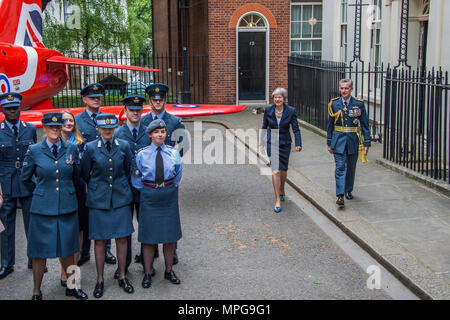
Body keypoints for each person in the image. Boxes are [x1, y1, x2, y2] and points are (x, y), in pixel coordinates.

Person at [21, 112, 88, 300]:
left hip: (67, 206)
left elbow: (76, 175)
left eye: (58, 127)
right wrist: (42, 192)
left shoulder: (71, 148)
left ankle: (72, 286)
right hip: (43, 209)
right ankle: (36, 290)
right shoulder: (34, 150)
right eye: (51, 127)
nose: (55, 130)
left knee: (70, 248)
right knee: (39, 251)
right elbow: (25, 178)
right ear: (44, 128)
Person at [80, 113, 135, 298]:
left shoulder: (124, 146)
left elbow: (128, 170)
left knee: (121, 238)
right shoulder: (90, 148)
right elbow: (85, 173)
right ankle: (100, 279)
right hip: (99, 199)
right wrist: (99, 188)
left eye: (111, 128)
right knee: (100, 240)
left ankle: (121, 275)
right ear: (99, 128)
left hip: (120, 198)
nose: (107, 131)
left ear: (115, 128)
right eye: (104, 128)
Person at [132, 119, 182, 288]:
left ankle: (169, 270)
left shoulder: (173, 153)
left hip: (168, 194)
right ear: (150, 135)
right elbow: (136, 179)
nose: (160, 135)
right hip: (149, 195)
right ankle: (147, 272)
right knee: (148, 237)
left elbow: (177, 175)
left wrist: (166, 187)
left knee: (169, 237)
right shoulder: (141, 154)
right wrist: (150, 189)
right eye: (156, 132)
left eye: (162, 131)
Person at [141, 83, 186, 265]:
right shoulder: (143, 121)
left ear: (165, 100)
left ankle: (171, 252)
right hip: (149, 180)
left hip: (167, 178)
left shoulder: (174, 121)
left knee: (170, 222)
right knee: (148, 221)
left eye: (160, 99)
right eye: (154, 99)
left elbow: (181, 148)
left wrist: (171, 167)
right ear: (150, 100)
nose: (157, 102)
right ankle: (150, 256)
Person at [75, 83, 116, 266]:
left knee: (104, 212)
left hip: (102, 174)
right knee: (85, 214)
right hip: (85, 174)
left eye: (98, 97)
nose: (96, 100)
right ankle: (85, 251)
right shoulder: (77, 120)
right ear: (84, 99)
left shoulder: (107, 119)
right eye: (92, 97)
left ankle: (106, 249)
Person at [113, 95, 151, 278]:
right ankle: (124, 264)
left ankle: (147, 263)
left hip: (144, 188)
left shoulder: (148, 132)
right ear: (125, 111)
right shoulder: (117, 134)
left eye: (138, 110)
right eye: (131, 110)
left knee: (145, 226)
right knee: (124, 229)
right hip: (125, 188)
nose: (135, 113)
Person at [0, 92, 37, 280]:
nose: (12, 111)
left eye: (15, 107)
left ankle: (34, 259)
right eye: (8, 108)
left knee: (32, 223)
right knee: (6, 225)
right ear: (3, 110)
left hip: (27, 181)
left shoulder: (29, 129)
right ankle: (6, 263)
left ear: (20, 108)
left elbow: (34, 156)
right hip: (6, 183)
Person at [327, 79, 370, 207]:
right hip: (338, 139)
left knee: (351, 168)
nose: (343, 91)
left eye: (346, 88)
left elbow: (365, 125)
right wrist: (329, 142)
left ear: (351, 89)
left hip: (353, 140)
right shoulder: (334, 104)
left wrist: (366, 143)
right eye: (341, 88)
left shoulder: (359, 104)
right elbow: (329, 125)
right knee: (340, 167)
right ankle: (340, 195)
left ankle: (348, 190)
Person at [57, 110, 87, 287]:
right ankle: (63, 270)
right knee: (65, 233)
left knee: (79, 232)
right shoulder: (55, 144)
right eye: (65, 120)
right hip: (62, 194)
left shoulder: (82, 144)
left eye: (71, 120)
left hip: (79, 192)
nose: (68, 123)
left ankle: (73, 270)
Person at [260, 88, 302, 213]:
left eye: (280, 97)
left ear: (284, 99)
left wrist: (298, 143)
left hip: (285, 143)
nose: (277, 99)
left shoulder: (291, 111)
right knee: (275, 170)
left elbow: (296, 128)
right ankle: (277, 199)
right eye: (275, 97)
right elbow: (264, 127)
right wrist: (261, 144)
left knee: (283, 171)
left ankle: (282, 188)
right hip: (271, 142)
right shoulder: (268, 110)